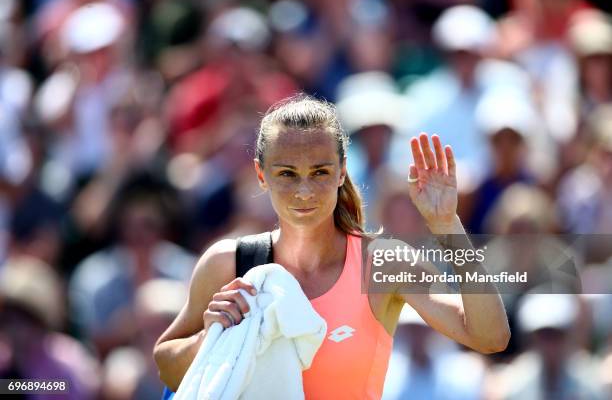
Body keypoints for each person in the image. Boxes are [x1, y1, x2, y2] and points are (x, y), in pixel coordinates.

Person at [153, 95, 510, 398]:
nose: (304, 191)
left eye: (320, 172)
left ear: (342, 172)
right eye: (287, 174)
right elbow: (168, 368)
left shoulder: (383, 263)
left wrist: (448, 226)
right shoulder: (227, 263)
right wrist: (209, 337)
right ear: (261, 175)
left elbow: (490, 337)